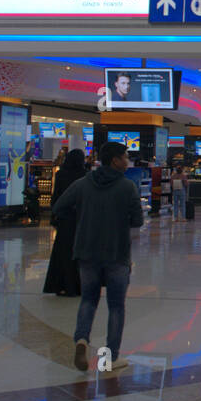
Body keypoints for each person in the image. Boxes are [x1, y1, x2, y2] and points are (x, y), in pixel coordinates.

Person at [52, 141, 144, 372]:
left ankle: (82, 340)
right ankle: (111, 356)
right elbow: (138, 221)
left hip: (86, 251)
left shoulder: (83, 184)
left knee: (88, 300)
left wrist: (83, 217)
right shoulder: (127, 187)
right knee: (116, 306)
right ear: (115, 160)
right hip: (116, 253)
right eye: (125, 157)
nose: (128, 161)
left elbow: (59, 208)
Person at [43, 149, 87, 295]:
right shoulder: (85, 176)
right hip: (81, 220)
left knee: (62, 253)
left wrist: (54, 215)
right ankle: (78, 285)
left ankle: (60, 285)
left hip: (65, 219)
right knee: (79, 253)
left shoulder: (61, 174)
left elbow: (56, 196)